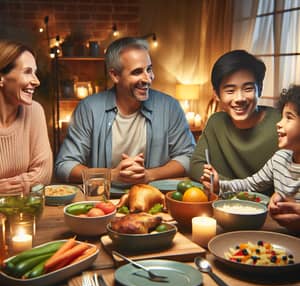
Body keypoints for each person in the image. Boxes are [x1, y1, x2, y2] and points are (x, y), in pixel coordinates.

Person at [55, 37, 195, 185]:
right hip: (104, 201)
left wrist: (148, 175)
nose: (148, 79)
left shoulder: (169, 107)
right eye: (137, 72)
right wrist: (111, 175)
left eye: (149, 69)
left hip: (153, 199)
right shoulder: (89, 109)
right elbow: (65, 166)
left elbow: (188, 157)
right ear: (115, 75)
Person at [202, 86, 300, 231]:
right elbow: (249, 185)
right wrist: (218, 186)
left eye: (289, 118)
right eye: (282, 117)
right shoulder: (280, 158)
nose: (279, 124)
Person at [189, 50, 281, 195]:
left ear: (260, 89)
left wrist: (225, 186)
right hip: (224, 207)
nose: (240, 98)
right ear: (217, 94)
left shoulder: (281, 123)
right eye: (230, 91)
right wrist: (225, 185)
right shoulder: (215, 123)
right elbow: (195, 165)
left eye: (248, 88)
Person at [0, 40, 53, 194]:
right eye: (27, 71)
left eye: (35, 72)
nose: (36, 81)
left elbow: (43, 174)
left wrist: (11, 188)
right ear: (2, 78)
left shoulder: (34, 111)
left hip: (23, 210)